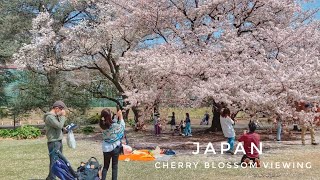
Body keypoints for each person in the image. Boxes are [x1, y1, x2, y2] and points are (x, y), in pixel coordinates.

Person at [44, 100, 67, 180]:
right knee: (54, 161)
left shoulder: (54, 117)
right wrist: (63, 116)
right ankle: (51, 178)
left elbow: (59, 127)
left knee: (59, 161)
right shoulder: (49, 117)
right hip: (54, 142)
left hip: (58, 140)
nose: (62, 112)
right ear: (57, 108)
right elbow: (59, 126)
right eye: (61, 110)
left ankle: (51, 177)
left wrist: (65, 129)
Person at [100, 108, 125, 180]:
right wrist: (120, 116)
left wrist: (116, 116)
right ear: (109, 116)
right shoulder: (115, 125)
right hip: (115, 148)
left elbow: (111, 122)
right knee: (114, 166)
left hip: (106, 148)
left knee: (105, 166)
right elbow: (122, 126)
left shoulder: (102, 125)